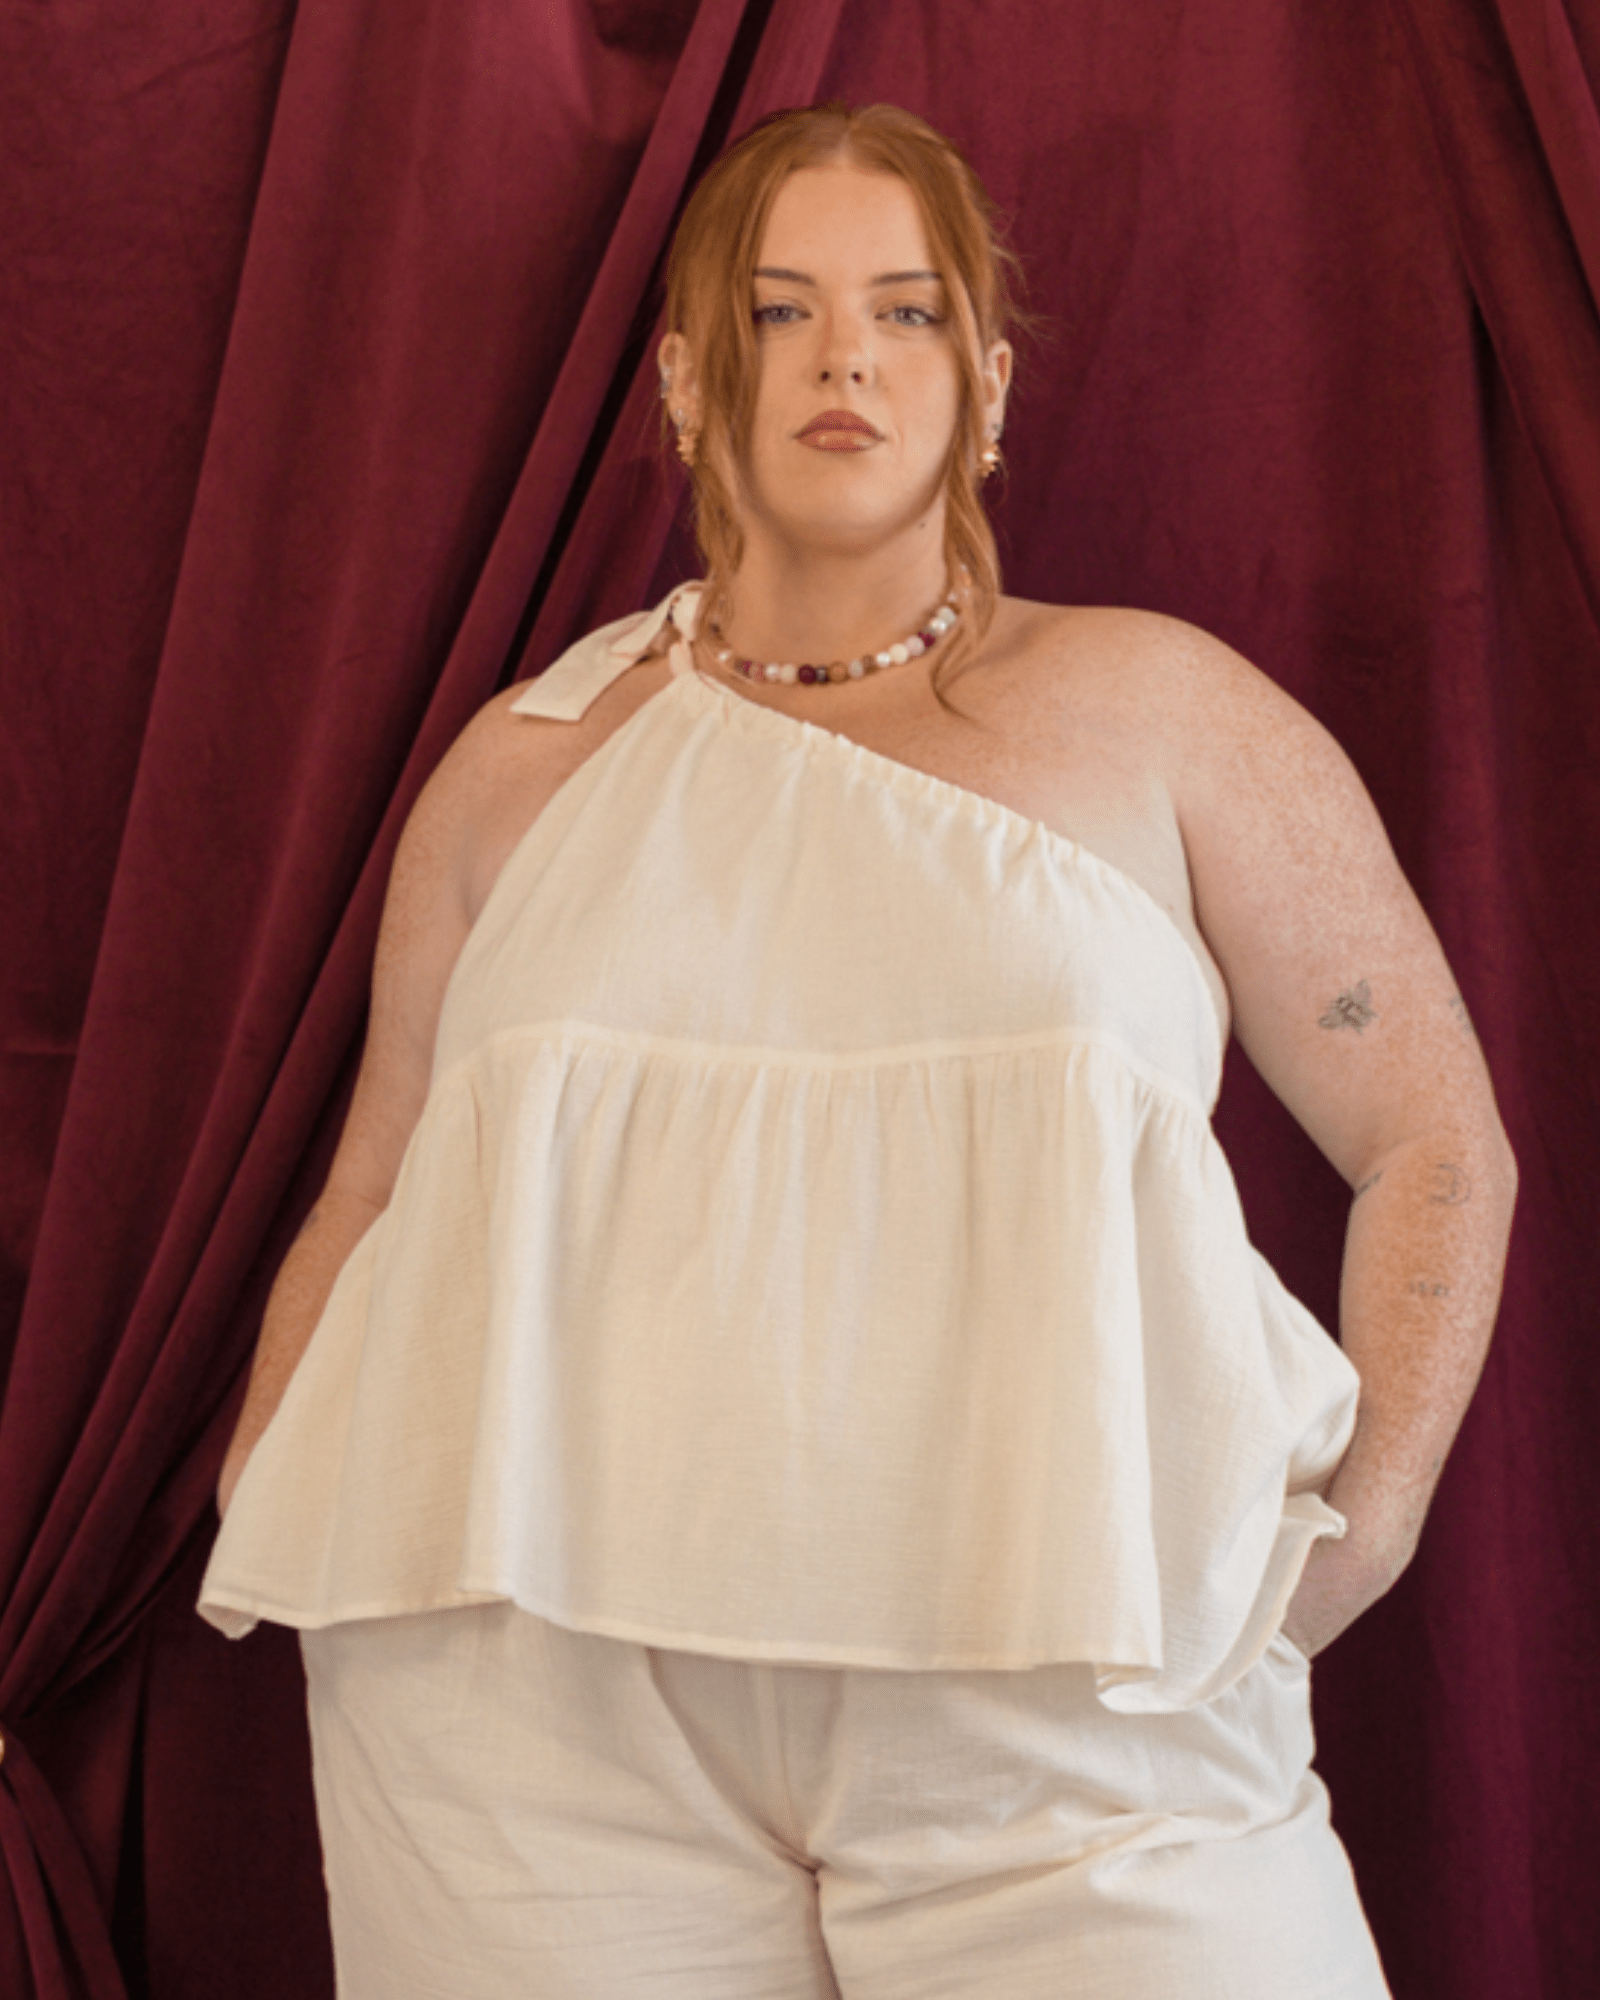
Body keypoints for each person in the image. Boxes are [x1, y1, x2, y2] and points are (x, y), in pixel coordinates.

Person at [201, 103, 1516, 1999]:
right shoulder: (519, 769)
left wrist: (1365, 1529)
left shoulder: (1159, 713)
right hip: (527, 1709)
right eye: (780, 309)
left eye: (906, 312)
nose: (843, 359)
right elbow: (377, 1184)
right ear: (682, 379)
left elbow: (1434, 1140)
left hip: (1070, 1682)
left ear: (986, 386)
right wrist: (271, 1469)